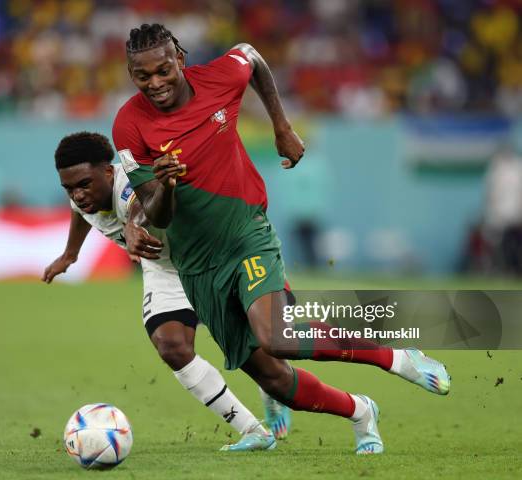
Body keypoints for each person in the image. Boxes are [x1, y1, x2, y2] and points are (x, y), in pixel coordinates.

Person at [113, 23, 451, 455]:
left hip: (246, 234)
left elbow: (250, 56)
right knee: (275, 379)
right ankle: (362, 411)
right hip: (196, 266)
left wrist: (281, 125)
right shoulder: (128, 124)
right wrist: (167, 187)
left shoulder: (219, 77)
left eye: (163, 71)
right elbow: (156, 212)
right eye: (143, 77)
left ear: (180, 59)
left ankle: (397, 358)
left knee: (277, 333)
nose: (156, 84)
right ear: (130, 73)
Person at [43, 131, 291, 451]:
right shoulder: (84, 193)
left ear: (108, 171)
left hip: (208, 257)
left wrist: (134, 225)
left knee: (262, 342)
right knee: (171, 345)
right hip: (165, 269)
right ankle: (253, 430)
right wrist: (70, 254)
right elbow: (80, 213)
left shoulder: (128, 184)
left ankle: (274, 388)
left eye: (83, 185)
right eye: (69, 188)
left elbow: (139, 204)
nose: (77, 195)